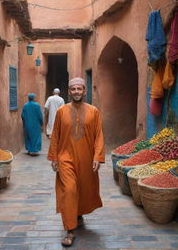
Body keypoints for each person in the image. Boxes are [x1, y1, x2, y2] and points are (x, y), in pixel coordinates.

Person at [47, 77, 105, 247]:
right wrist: (54, 157)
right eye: (73, 89)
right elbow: (56, 135)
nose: (77, 92)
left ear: (84, 91)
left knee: (84, 188)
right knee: (70, 190)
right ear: (69, 91)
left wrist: (97, 157)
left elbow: (99, 135)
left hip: (86, 158)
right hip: (65, 158)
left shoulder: (94, 111)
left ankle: (77, 214)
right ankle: (70, 230)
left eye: (79, 89)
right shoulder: (61, 111)